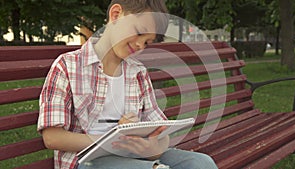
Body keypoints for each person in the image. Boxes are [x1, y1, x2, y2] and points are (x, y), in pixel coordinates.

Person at [37, 0, 219, 169]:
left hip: (134, 157)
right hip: (86, 160)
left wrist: (150, 148)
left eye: (147, 42)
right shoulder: (68, 66)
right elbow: (52, 137)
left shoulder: (138, 72)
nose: (140, 44)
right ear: (116, 14)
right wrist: (112, 142)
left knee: (202, 163)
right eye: (139, 32)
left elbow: (161, 132)